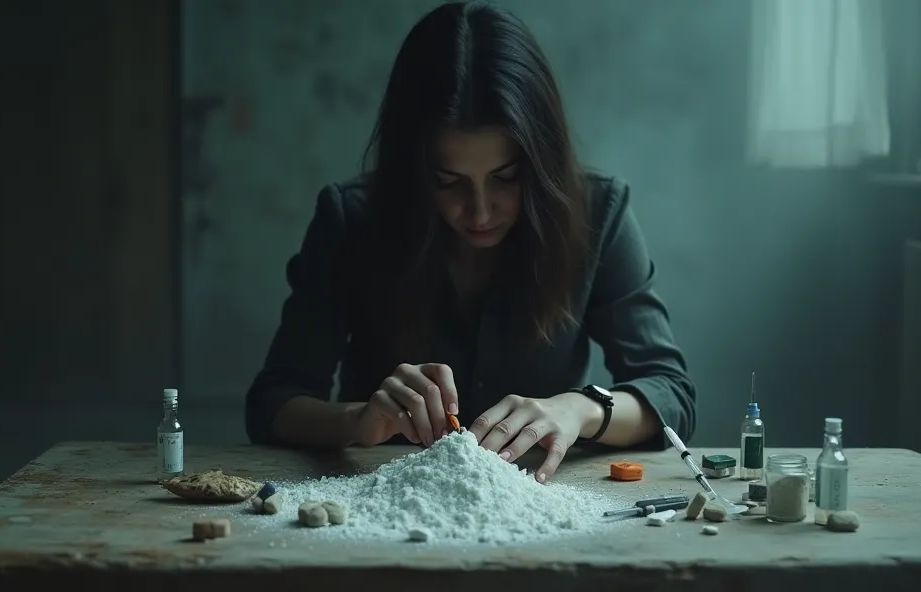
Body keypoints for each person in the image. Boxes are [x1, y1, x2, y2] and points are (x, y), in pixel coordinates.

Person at [245, 0, 696, 482]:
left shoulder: (598, 213)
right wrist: (358, 420)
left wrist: (579, 409)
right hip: (381, 503)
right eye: (447, 181)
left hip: (545, 505)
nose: (480, 211)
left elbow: (670, 393)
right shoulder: (351, 220)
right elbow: (274, 402)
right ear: (414, 170)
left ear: (540, 162)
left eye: (506, 177)